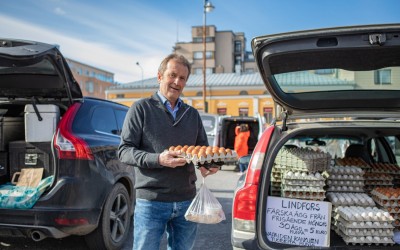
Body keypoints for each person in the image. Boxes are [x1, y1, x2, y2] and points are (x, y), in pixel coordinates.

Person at [118, 53, 219, 250]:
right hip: (152, 201)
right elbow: (124, 151)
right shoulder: (141, 109)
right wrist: (159, 159)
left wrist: (208, 165)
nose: (176, 82)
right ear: (160, 76)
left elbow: (202, 151)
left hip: (186, 200)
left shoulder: (192, 114)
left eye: (182, 78)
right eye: (172, 75)